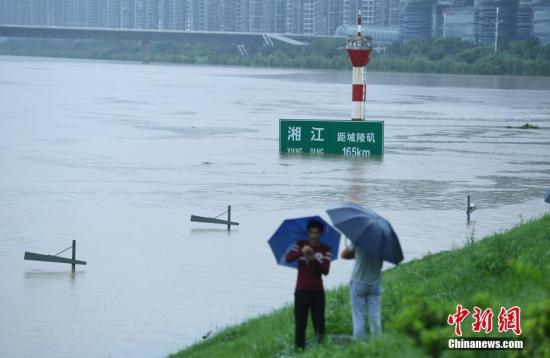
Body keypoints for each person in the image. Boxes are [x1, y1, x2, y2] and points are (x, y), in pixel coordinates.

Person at [286, 219, 332, 350]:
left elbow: (326, 271)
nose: (314, 236)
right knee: (300, 324)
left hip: (317, 292)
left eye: (316, 233)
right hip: (301, 291)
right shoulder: (300, 244)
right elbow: (289, 258)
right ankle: (299, 350)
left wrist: (314, 259)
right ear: (308, 233)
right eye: (311, 232)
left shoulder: (325, 250)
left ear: (321, 233)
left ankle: (321, 350)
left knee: (319, 324)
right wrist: (301, 251)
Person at [341, 241, 383, 340]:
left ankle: (359, 345)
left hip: (359, 281)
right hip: (375, 282)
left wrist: (358, 255)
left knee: (358, 315)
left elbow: (344, 254)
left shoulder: (359, 239)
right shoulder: (383, 242)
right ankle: (378, 345)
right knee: (375, 316)